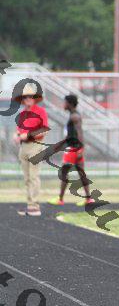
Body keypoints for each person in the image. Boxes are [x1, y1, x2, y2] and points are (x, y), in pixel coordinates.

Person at [49, 94, 94, 206]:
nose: (63, 104)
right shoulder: (73, 115)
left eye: (64, 102)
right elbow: (71, 134)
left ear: (70, 103)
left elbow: (80, 132)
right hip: (75, 147)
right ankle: (88, 199)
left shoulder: (75, 116)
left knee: (64, 173)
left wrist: (80, 149)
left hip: (73, 149)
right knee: (81, 173)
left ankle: (60, 199)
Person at [13, 83, 49, 216]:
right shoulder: (22, 114)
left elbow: (44, 130)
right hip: (24, 147)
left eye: (30, 96)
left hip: (36, 145)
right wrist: (16, 135)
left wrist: (27, 135)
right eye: (25, 97)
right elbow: (19, 130)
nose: (27, 99)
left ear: (34, 98)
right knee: (27, 178)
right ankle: (30, 205)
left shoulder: (41, 111)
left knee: (34, 177)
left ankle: (35, 206)